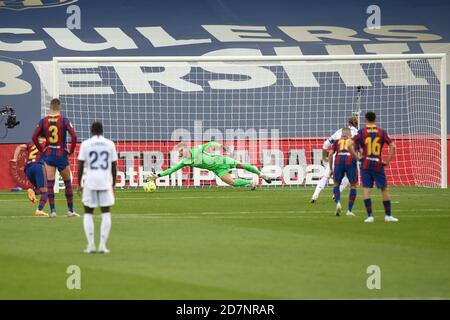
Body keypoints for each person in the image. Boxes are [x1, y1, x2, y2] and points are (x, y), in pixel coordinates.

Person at [146, 141, 272, 189]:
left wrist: (222, 147)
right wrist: (158, 175)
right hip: (217, 169)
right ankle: (251, 183)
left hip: (221, 160)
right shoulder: (185, 161)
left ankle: (262, 175)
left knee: (242, 166)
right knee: (231, 182)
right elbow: (171, 170)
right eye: (179, 152)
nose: (181, 153)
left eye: (181, 150)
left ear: (186, 149)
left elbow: (210, 143)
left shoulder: (196, 149)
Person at [32, 98, 78, 218]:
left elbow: (34, 137)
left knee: (51, 184)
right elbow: (74, 136)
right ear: (60, 107)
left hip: (49, 155)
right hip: (61, 154)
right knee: (67, 182)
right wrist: (71, 150)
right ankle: (70, 211)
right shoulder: (64, 120)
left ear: (50, 107)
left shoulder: (43, 121)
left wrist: (41, 149)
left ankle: (53, 211)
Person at [349, 112, 398, 223]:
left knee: (366, 189)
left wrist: (357, 157)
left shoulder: (361, 132)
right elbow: (393, 146)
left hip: (365, 164)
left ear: (365, 120)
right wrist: (388, 161)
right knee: (384, 189)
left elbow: (349, 145)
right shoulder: (382, 132)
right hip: (377, 163)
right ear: (375, 119)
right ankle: (388, 216)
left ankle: (370, 216)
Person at [77, 122, 118, 254]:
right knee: (106, 211)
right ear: (102, 131)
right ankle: (102, 245)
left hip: (90, 180)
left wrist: (79, 183)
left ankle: (90, 245)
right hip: (105, 180)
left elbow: (80, 165)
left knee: (88, 211)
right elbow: (113, 165)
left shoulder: (86, 144)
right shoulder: (110, 144)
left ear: (91, 131)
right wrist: (113, 184)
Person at [311, 117, 359, 203]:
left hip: (336, 156)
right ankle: (336, 194)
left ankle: (315, 194)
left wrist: (324, 157)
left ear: (348, 123)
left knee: (326, 176)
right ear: (357, 124)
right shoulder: (358, 133)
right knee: (347, 178)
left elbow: (326, 144)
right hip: (349, 158)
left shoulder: (340, 131)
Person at [11, 134, 49, 217]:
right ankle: (39, 210)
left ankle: (32, 192)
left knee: (40, 189)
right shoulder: (46, 143)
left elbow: (19, 147)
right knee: (46, 191)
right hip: (38, 166)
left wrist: (15, 158)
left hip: (28, 168)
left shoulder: (31, 144)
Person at [328, 128, 358, 217]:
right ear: (350, 135)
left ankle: (338, 203)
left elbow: (330, 154)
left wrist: (330, 168)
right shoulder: (354, 141)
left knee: (336, 184)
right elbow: (360, 153)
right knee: (353, 185)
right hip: (350, 161)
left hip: (339, 161)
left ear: (341, 134)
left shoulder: (337, 142)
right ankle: (349, 210)